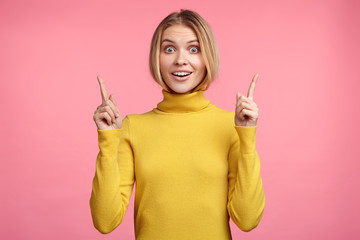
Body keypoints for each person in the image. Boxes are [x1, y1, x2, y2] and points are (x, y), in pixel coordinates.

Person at [90, 9, 265, 239]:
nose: (180, 59)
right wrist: (108, 142)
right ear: (157, 57)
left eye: (194, 49)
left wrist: (247, 136)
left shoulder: (231, 126)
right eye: (169, 49)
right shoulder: (132, 127)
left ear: (207, 58)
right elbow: (105, 221)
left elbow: (247, 219)